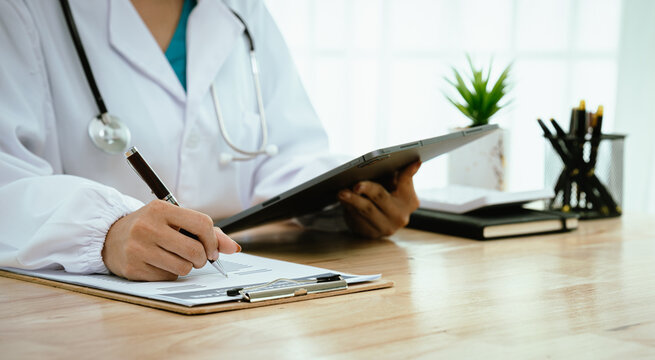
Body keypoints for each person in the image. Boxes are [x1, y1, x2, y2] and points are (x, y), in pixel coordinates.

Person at [0, 0, 420, 281]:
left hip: (232, 300)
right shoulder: (25, 10)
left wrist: (352, 198)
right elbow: (7, 181)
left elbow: (286, 153)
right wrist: (104, 232)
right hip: (77, 318)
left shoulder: (239, 8)